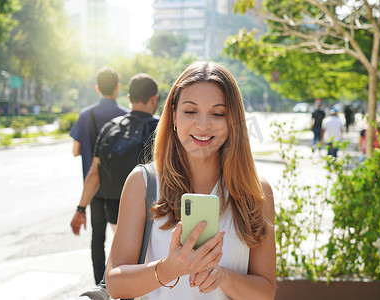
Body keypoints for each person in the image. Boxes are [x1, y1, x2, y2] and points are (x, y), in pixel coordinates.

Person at [105, 61, 276, 299]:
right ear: (174, 116)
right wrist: (168, 269)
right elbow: (115, 283)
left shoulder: (256, 191)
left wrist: (223, 277)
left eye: (217, 113)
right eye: (190, 111)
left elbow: (265, 292)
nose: (203, 125)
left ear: (232, 120)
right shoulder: (144, 182)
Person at [70, 72, 159, 232]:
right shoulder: (161, 129)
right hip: (152, 210)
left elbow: (94, 173)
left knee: (122, 255)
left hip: (115, 211)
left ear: (130, 98)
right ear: (155, 99)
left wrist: (81, 209)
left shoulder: (110, 127)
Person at [69, 67, 129, 284]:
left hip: (94, 189)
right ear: (117, 88)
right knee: (122, 239)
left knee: (97, 238)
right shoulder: (125, 116)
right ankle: (120, 281)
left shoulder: (86, 115)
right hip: (120, 190)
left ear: (97, 88)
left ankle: (99, 285)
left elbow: (76, 150)